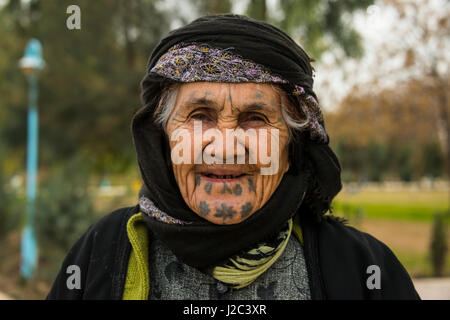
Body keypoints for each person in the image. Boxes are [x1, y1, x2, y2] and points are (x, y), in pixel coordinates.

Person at [47, 13, 420, 300]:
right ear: (163, 140)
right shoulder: (101, 252)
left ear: (291, 146)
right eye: (199, 116)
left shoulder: (363, 269)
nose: (225, 146)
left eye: (255, 119)